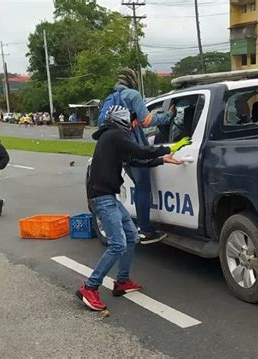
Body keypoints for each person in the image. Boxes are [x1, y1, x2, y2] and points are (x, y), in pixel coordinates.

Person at [77, 105, 190, 311]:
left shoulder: (111, 139)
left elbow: (136, 159)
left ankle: (122, 281)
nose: (132, 124)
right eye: (129, 120)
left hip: (108, 197)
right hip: (103, 198)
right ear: (121, 121)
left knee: (131, 236)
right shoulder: (114, 136)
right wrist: (169, 148)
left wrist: (161, 159)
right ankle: (90, 287)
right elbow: (140, 150)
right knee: (118, 244)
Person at [100, 67, 177, 244]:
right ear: (132, 81)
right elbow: (146, 121)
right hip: (133, 146)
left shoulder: (110, 99)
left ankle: (131, 226)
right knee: (143, 188)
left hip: (119, 150)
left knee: (137, 188)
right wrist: (168, 115)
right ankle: (145, 230)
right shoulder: (132, 95)